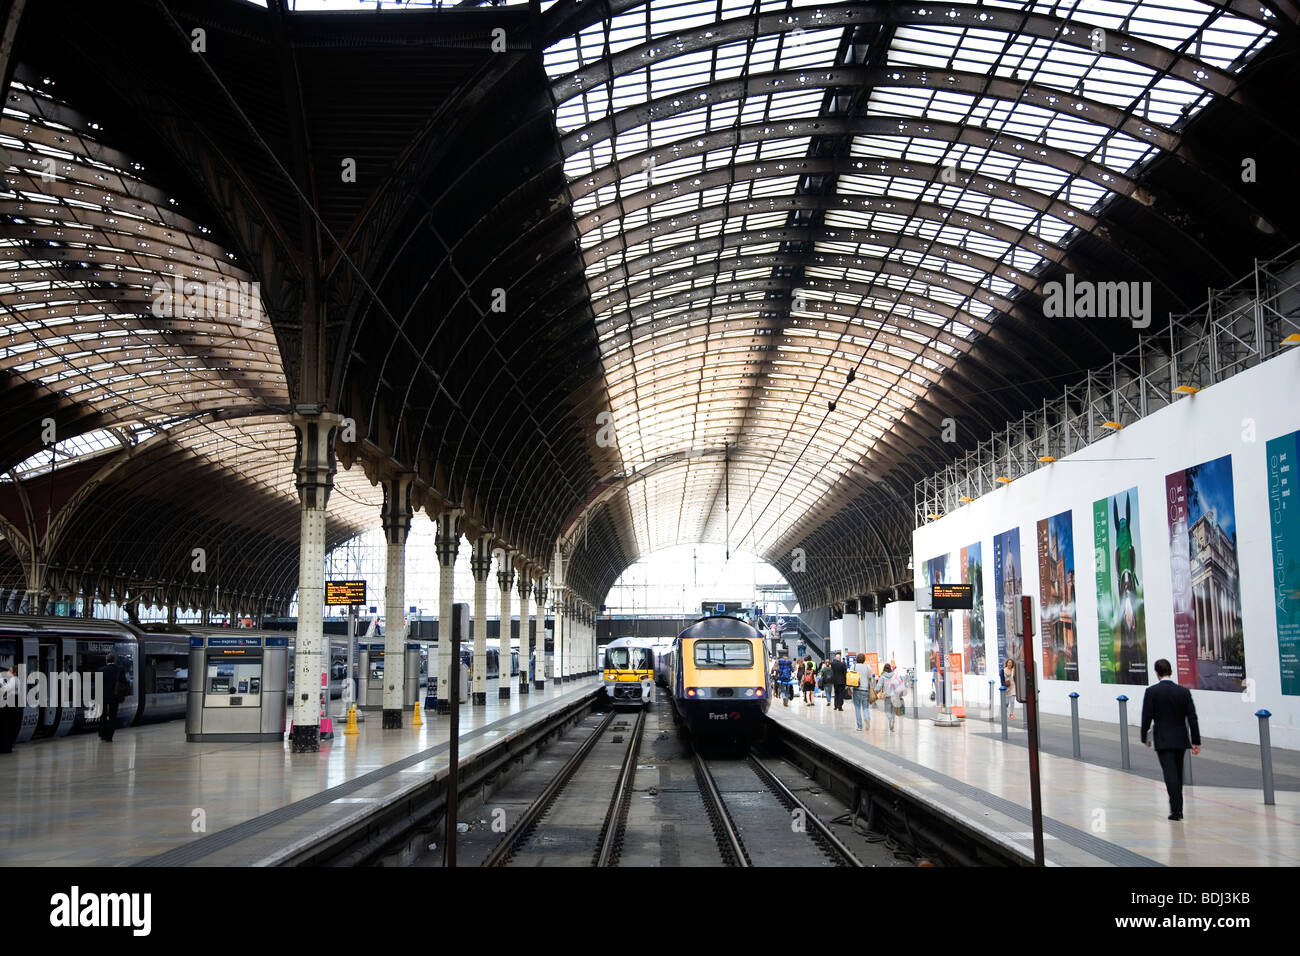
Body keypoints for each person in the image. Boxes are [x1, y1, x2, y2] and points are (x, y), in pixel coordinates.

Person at [1141, 658, 1202, 821]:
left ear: (1156, 673)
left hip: (1163, 738)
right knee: (1178, 773)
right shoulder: (1183, 692)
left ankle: (1176, 811)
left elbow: (1147, 717)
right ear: (1171, 672)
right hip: (1180, 739)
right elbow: (1192, 718)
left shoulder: (1152, 692)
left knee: (1170, 775)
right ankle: (1178, 808)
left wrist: (1145, 737)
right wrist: (1196, 741)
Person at [99, 653, 126, 742]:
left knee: (102, 716)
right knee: (112, 716)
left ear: (106, 660)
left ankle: (102, 734)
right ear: (114, 660)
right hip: (115, 697)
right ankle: (109, 736)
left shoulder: (101, 670)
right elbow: (124, 683)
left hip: (103, 696)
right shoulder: (119, 670)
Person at [850, 652, 875, 731]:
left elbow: (850, 678)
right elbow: (870, 678)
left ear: (857, 659)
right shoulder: (868, 667)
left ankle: (859, 726)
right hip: (865, 690)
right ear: (864, 659)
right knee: (865, 707)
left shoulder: (853, 666)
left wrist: (850, 689)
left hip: (856, 689)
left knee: (857, 708)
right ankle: (867, 718)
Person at [878, 664, 906, 731]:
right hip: (895, 695)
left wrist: (876, 691)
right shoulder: (895, 675)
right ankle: (892, 724)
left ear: (884, 669)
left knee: (887, 710)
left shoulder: (883, 676)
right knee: (893, 711)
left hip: (887, 696)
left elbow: (878, 686)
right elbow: (900, 684)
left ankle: (890, 720)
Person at [0, 663, 21, 753]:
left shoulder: (14, 680)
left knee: (8, 729)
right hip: (11, 708)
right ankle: (6, 747)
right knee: (8, 728)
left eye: (10, 670)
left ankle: (6, 747)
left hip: (10, 708)